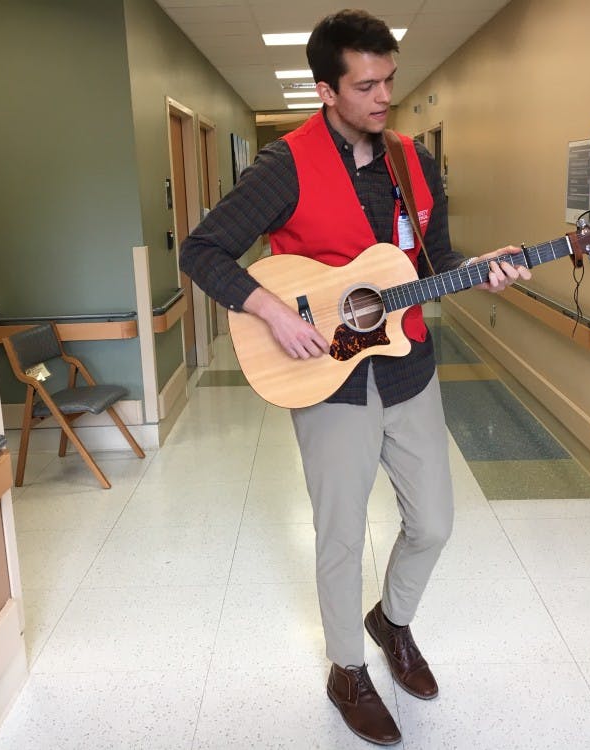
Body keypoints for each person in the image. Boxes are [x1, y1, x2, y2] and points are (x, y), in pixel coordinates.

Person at [180, 9, 531, 745]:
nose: (383, 97)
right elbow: (203, 249)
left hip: (409, 367)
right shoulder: (285, 164)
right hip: (325, 376)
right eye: (366, 85)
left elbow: (431, 263)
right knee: (340, 534)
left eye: (389, 81)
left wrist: (478, 270)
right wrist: (272, 311)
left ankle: (391, 621)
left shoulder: (412, 160)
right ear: (326, 91)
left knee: (434, 522)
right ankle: (347, 668)